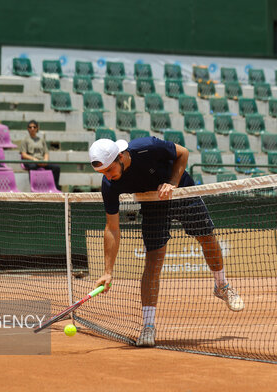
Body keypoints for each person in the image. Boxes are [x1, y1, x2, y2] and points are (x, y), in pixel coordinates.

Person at [89, 137, 244, 348]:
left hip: (181, 191)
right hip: (152, 203)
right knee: (153, 262)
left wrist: (172, 182)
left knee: (207, 237)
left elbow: (183, 153)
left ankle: (222, 286)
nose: (107, 176)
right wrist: (108, 271)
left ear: (121, 156)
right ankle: (148, 326)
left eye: (109, 169)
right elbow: (112, 228)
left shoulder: (147, 147)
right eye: (103, 173)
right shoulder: (109, 184)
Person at [19, 120, 61, 190]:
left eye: (34, 127)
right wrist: (34, 159)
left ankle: (55, 188)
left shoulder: (41, 140)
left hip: (41, 160)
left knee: (56, 167)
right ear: (28, 129)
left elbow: (46, 153)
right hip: (30, 161)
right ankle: (34, 188)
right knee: (32, 166)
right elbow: (24, 155)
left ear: (37, 128)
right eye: (30, 127)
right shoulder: (25, 140)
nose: (32, 129)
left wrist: (46, 160)